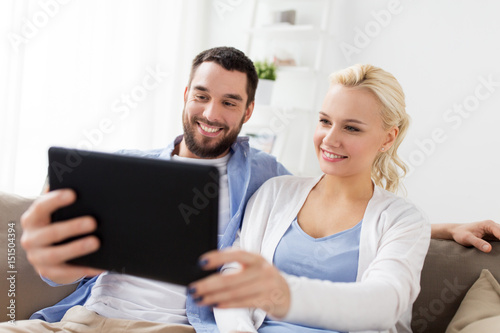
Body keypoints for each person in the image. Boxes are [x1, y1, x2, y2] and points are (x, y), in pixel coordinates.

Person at [7, 47, 499, 332]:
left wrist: (435, 228)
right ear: (186, 96)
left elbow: (357, 230)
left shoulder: (263, 178)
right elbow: (60, 266)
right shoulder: (129, 169)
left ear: (248, 112)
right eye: (202, 95)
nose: (211, 113)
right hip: (81, 317)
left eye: (229, 101)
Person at [187, 64, 462, 333]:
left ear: (388, 138)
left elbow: (384, 304)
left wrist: (282, 294)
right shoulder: (274, 193)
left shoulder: (402, 220)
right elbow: (232, 276)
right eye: (325, 121)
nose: (330, 139)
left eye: (351, 128)